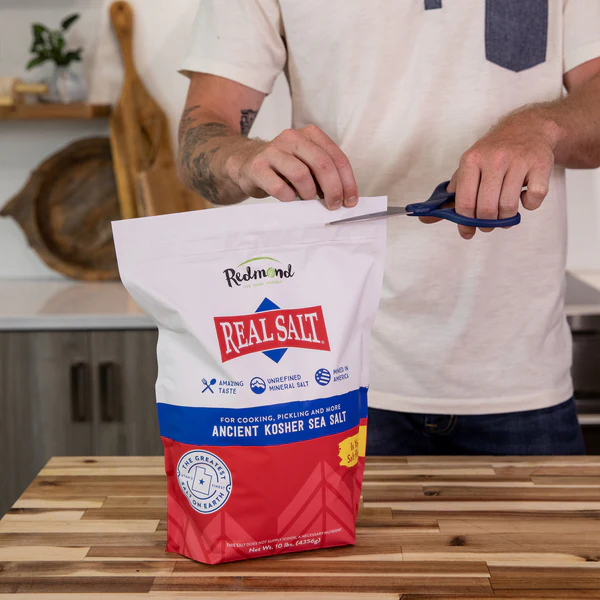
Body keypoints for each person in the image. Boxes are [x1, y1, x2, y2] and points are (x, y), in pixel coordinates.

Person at [176, 1, 600, 455]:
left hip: (524, 381)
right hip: (338, 380)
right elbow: (200, 136)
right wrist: (245, 159)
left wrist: (540, 127)